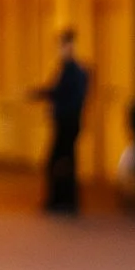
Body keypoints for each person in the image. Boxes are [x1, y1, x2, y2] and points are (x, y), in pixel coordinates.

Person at [34, 29, 91, 215]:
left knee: (57, 161)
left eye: (62, 46)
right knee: (66, 160)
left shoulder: (72, 70)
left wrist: (43, 94)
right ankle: (65, 200)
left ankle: (61, 200)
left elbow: (61, 92)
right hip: (69, 120)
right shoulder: (71, 69)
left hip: (68, 121)